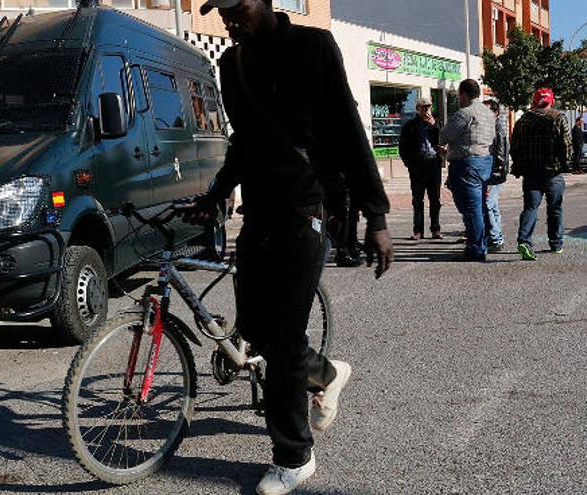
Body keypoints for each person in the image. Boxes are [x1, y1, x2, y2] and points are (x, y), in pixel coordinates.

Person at [187, 0, 393, 491]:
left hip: (306, 208)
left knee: (280, 345)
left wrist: (376, 214)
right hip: (258, 212)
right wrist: (215, 195)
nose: (228, 20)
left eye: (237, 9)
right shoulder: (230, 65)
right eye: (221, 13)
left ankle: (294, 457)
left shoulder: (311, 46)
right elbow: (245, 143)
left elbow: (347, 127)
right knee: (256, 333)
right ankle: (328, 373)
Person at [510, 88, 573, 260]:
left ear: (534, 101)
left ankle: (524, 240)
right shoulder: (558, 118)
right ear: (551, 101)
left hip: (531, 173)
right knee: (555, 209)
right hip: (553, 172)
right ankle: (556, 243)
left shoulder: (523, 121)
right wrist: (566, 163)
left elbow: (514, 147)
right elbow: (566, 145)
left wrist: (518, 165)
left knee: (530, 208)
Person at [439, 79, 496, 262]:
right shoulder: (488, 113)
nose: (458, 99)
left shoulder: (465, 113)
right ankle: (483, 242)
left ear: (464, 94)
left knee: (471, 208)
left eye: (459, 95)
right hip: (485, 162)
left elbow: (444, 135)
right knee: (480, 206)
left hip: (467, 164)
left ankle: (475, 248)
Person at [398, 96, 443, 241]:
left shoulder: (436, 124)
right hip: (417, 167)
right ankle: (418, 230)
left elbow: (443, 140)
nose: (426, 110)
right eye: (423, 107)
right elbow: (403, 147)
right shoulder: (410, 125)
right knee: (417, 199)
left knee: (435, 199)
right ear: (418, 109)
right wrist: (409, 163)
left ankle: (435, 229)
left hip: (433, 165)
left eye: (428, 107)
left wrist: (434, 125)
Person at [482, 98, 509, 252]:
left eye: (487, 111)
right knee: (494, 206)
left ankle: (495, 239)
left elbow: (501, 154)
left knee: (488, 204)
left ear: (496, 113)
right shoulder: (490, 127)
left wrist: (495, 175)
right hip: (491, 172)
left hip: (494, 174)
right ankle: (497, 237)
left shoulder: (498, 129)